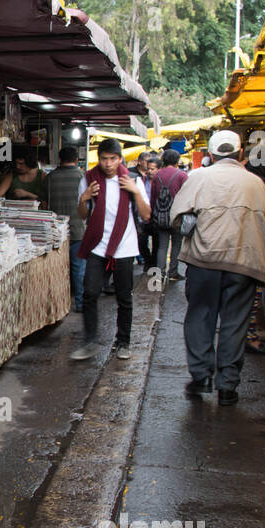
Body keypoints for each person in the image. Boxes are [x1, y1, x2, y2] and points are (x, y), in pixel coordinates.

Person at [169, 130, 265, 405]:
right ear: (240, 154)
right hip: (243, 265)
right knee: (235, 323)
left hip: (204, 262)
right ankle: (228, 386)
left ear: (211, 155)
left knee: (200, 316)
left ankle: (201, 375)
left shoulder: (198, 176)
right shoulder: (256, 183)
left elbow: (176, 218)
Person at [71, 139, 151, 362]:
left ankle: (123, 342)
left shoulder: (132, 180)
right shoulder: (88, 179)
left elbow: (146, 215)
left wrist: (135, 192)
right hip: (97, 246)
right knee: (90, 293)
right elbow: (83, 215)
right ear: (99, 158)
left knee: (124, 297)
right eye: (104, 159)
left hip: (125, 247)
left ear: (120, 159)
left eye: (112, 159)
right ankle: (90, 341)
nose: (107, 164)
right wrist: (84, 198)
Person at [46, 146, 87, 312]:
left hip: (55, 231)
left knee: (57, 269)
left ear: (59, 159)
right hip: (77, 230)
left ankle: (58, 305)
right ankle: (80, 303)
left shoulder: (50, 178)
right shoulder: (82, 177)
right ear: (76, 160)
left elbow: (44, 201)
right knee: (78, 268)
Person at [152, 149, 189, 281]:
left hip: (160, 216)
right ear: (177, 161)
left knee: (162, 246)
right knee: (176, 244)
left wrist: (153, 214)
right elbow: (187, 197)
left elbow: (153, 197)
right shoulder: (182, 175)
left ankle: (159, 274)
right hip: (176, 216)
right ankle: (173, 272)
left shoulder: (157, 175)